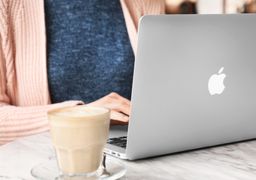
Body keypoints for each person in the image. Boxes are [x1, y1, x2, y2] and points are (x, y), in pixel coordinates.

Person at [0, 0, 165, 145]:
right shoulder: (6, 6)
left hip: (138, 153)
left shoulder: (148, 2)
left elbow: (162, 93)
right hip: (45, 162)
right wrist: (79, 115)